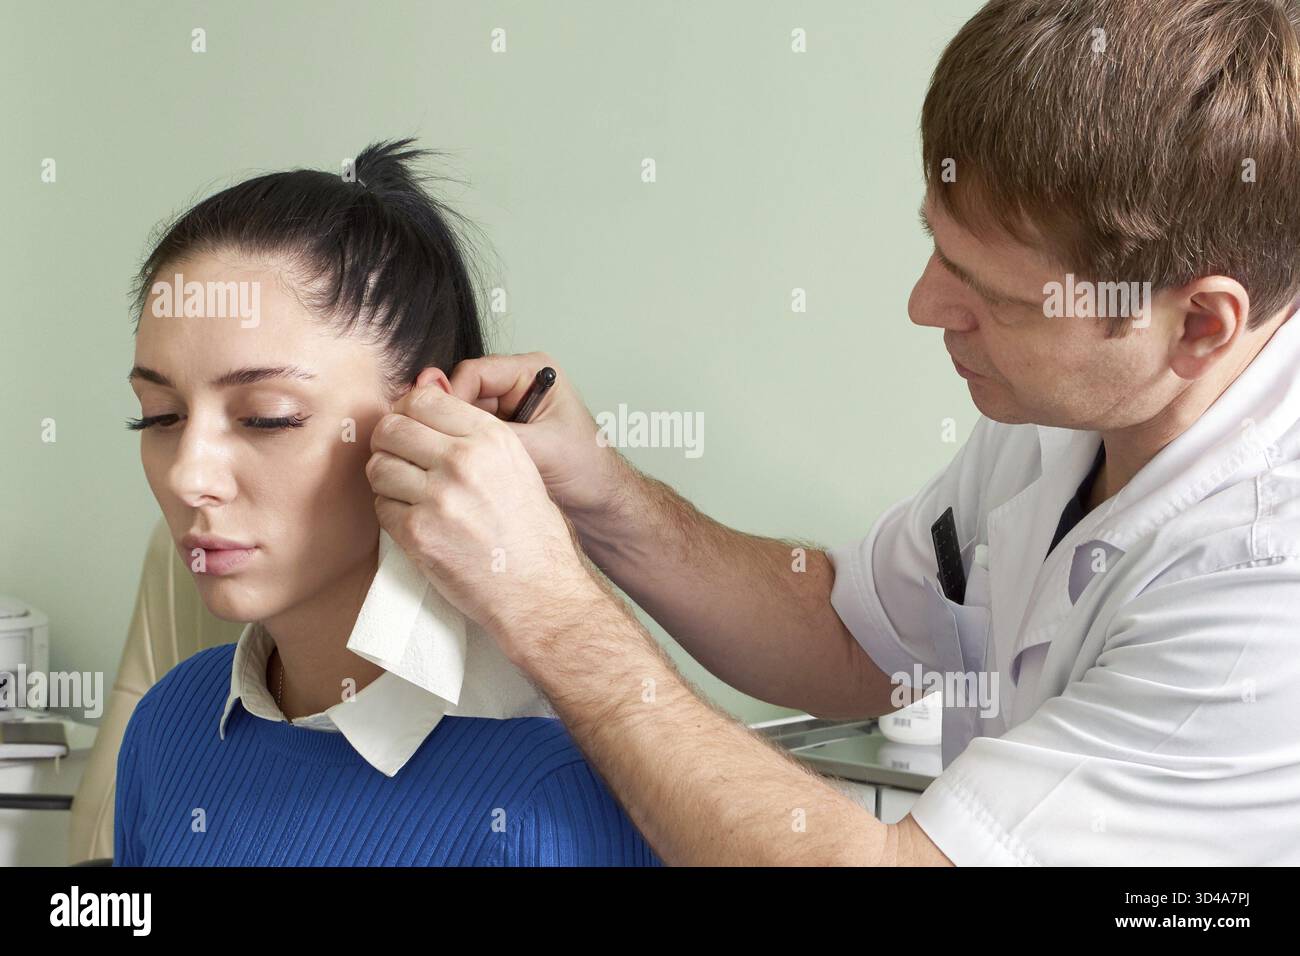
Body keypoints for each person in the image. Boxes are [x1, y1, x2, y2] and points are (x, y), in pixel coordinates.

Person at [370, 0, 1300, 865]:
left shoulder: (1264, 590)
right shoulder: (1069, 414)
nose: (924, 306)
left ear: (1201, 325)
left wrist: (547, 608)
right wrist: (602, 497)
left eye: (992, 295)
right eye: (939, 248)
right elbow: (849, 640)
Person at [113, 139, 660, 867]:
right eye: (159, 417)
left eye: (267, 417)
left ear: (426, 425)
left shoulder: (547, 799)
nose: (187, 476)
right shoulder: (167, 729)